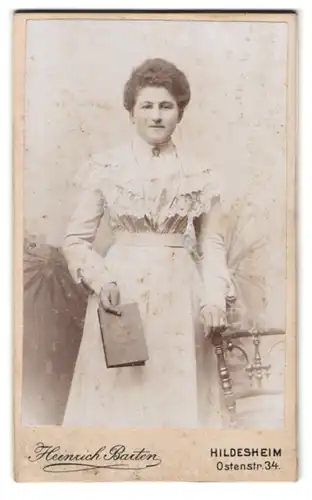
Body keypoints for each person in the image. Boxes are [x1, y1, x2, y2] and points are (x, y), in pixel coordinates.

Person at [62, 58, 232, 427]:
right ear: (132, 112)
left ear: (180, 112)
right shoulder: (106, 168)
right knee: (120, 402)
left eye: (166, 106)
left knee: (176, 403)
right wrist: (101, 279)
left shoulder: (200, 174)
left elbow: (212, 243)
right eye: (147, 106)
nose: (156, 116)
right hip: (121, 293)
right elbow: (76, 239)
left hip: (180, 299)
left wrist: (214, 298)